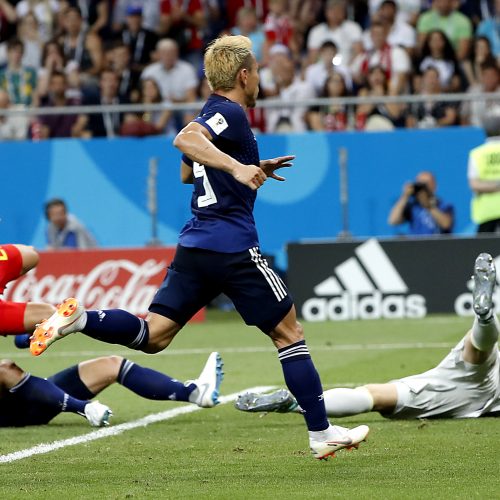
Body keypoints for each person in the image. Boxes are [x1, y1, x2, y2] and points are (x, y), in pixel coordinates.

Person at [29, 35, 369, 460]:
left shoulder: (215, 113)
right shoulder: (230, 111)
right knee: (289, 334)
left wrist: (250, 166)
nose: (260, 78)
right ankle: (321, 434)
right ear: (244, 75)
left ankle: (82, 319)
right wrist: (237, 167)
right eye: (257, 71)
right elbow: (185, 142)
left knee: (154, 335)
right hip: (232, 246)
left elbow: (188, 175)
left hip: (197, 243)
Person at [237, 253, 500, 420]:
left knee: (374, 397)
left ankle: (485, 319)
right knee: (477, 352)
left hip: (464, 394)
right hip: (480, 401)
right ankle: (485, 318)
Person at [0, 351, 222, 427]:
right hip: (11, 408)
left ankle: (192, 392)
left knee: (110, 365)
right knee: (4, 369)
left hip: (24, 397)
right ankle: (84, 408)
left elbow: (27, 257)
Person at [388, 171, 454, 235]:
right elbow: (393, 221)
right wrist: (405, 196)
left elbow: (446, 224)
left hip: (437, 244)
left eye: (425, 184)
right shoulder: (413, 206)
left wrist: (428, 206)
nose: (422, 188)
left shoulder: (443, 205)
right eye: (419, 184)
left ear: (434, 185)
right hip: (416, 244)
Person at [468, 110, 500, 234]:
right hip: (486, 214)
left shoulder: (477, 154)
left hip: (486, 212)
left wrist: (493, 186)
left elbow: (474, 185)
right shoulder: (477, 154)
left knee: (486, 251)